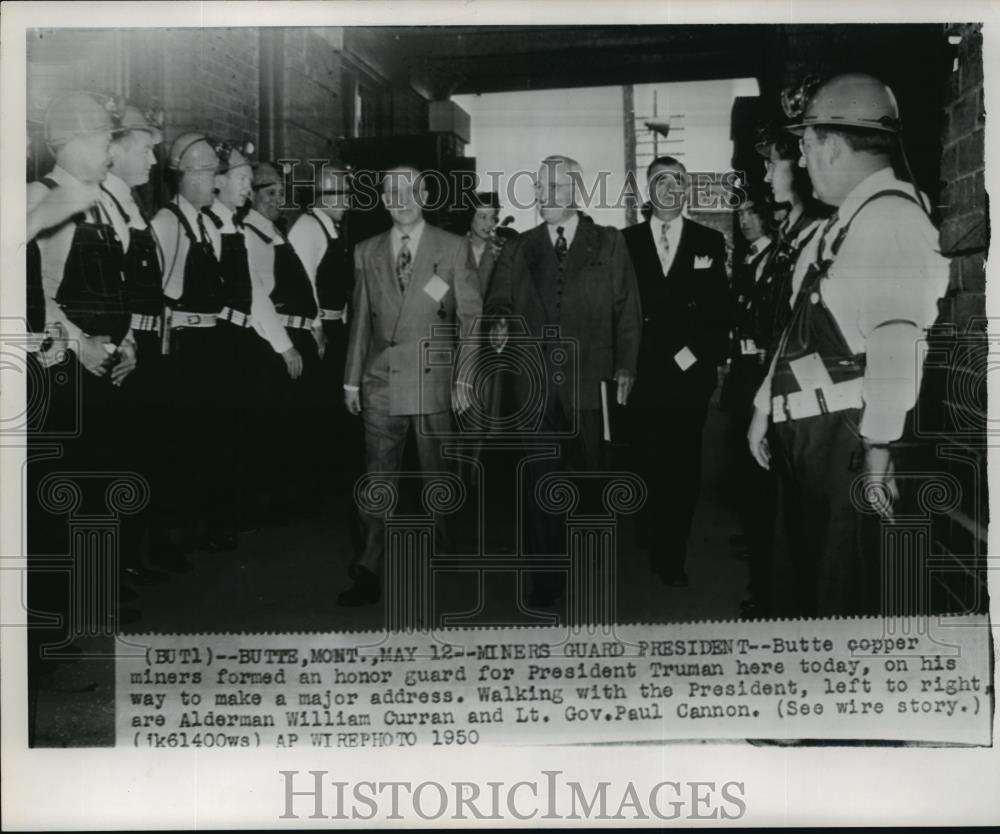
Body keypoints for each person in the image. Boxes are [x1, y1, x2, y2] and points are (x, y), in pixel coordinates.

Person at [747, 73, 949, 617]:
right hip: (815, 443)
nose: (804, 160)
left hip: (850, 446)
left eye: (807, 146)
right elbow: (796, 331)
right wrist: (767, 405)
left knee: (846, 598)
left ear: (831, 145)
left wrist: (878, 453)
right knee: (810, 594)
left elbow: (896, 348)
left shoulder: (890, 222)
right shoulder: (848, 222)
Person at [485, 155, 641, 607]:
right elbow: (498, 300)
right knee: (540, 487)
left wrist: (627, 365)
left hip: (590, 383)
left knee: (592, 482)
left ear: (575, 190)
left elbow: (626, 311)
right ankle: (548, 580)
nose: (541, 195)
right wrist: (497, 322)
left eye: (551, 186)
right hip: (534, 384)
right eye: (537, 186)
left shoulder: (607, 242)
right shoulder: (519, 247)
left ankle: (595, 568)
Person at [339, 165, 482, 606]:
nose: (399, 199)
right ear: (381, 199)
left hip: (433, 380)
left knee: (436, 473)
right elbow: (361, 319)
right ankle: (368, 567)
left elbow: (471, 320)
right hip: (380, 379)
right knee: (377, 476)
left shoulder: (454, 248)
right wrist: (350, 381)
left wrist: (464, 376)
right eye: (390, 191)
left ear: (423, 196)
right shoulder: (366, 251)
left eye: (408, 191)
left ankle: (445, 553)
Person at [622, 155, 731, 587]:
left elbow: (718, 308)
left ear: (688, 189)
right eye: (662, 181)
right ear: (648, 189)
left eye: (679, 181)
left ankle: (673, 554)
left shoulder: (709, 240)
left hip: (688, 373)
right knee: (646, 458)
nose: (671, 189)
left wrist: (697, 355)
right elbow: (620, 308)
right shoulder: (625, 241)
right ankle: (650, 522)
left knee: (683, 465)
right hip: (641, 373)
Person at [151, 132, 232, 558]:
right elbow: (155, 295)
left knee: (207, 441)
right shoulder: (166, 223)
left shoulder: (206, 225)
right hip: (181, 349)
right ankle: (170, 537)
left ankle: (200, 526)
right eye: (206, 174)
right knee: (180, 444)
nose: (215, 184)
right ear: (182, 175)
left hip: (209, 344)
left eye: (216, 174)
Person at [99, 103, 169, 588]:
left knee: (141, 454)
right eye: (144, 148)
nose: (151, 159)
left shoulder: (128, 203)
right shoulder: (102, 202)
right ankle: (112, 570)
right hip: (122, 345)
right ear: (115, 149)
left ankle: (131, 557)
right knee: (117, 460)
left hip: (144, 341)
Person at [242, 162, 322, 520]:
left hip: (298, 336)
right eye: (269, 192)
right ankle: (270, 507)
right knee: (277, 427)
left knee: (296, 428)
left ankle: (289, 501)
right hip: (278, 343)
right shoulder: (251, 234)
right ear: (252, 195)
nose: (278, 199)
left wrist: (314, 329)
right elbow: (258, 297)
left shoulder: (274, 232)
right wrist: (284, 346)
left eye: (280, 192)